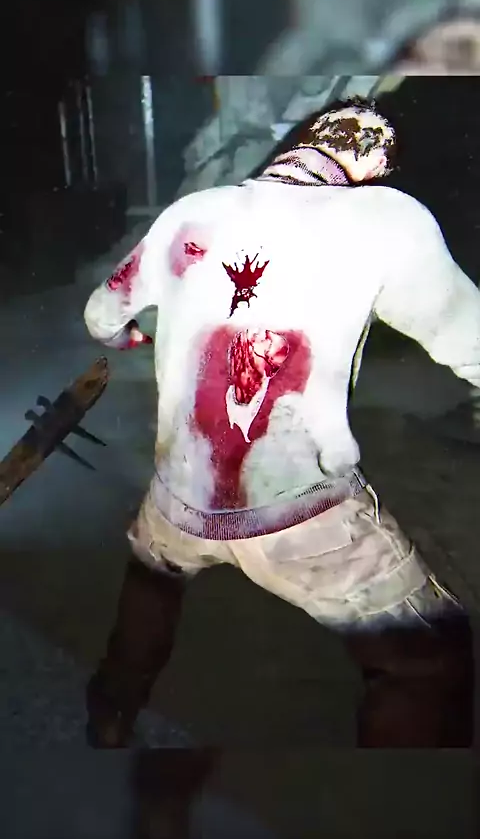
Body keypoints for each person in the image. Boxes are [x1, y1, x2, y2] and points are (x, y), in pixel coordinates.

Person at [84, 97, 475, 749]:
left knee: (154, 579)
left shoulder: (191, 211)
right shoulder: (386, 218)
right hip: (302, 514)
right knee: (429, 662)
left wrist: (126, 336)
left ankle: (108, 716)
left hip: (178, 494)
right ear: (378, 164)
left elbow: (102, 316)